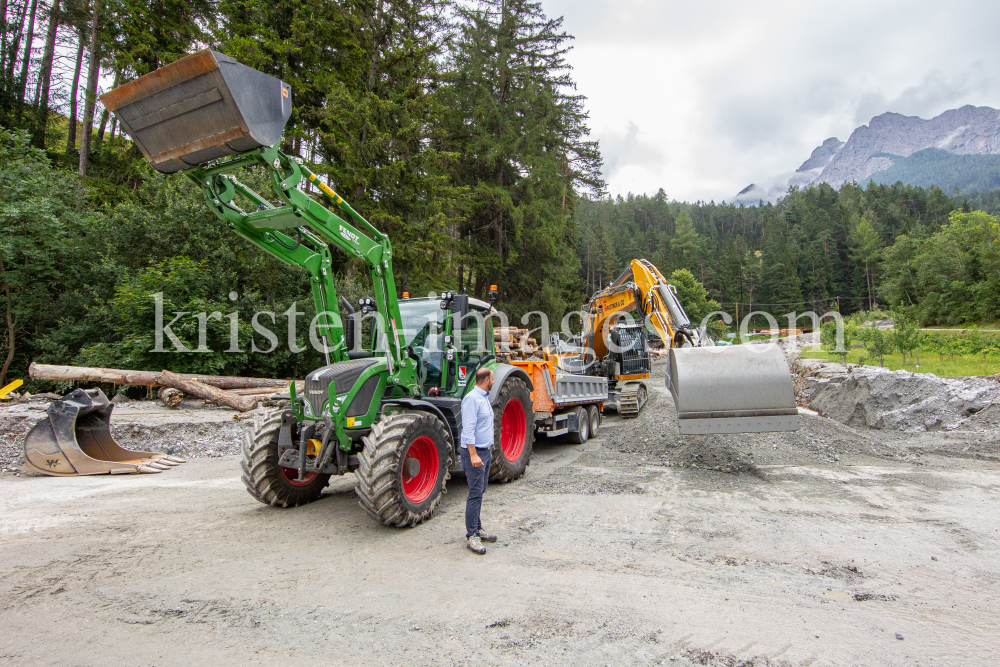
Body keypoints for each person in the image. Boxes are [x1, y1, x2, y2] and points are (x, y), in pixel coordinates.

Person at [460, 367, 498, 555]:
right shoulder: (472, 399)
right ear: (485, 380)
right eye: (492, 378)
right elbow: (468, 430)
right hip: (474, 453)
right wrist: (474, 454)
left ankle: (478, 528)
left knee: (480, 490)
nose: (494, 381)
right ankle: (471, 536)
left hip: (485, 451)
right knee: (475, 493)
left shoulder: (483, 398)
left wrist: (487, 451)